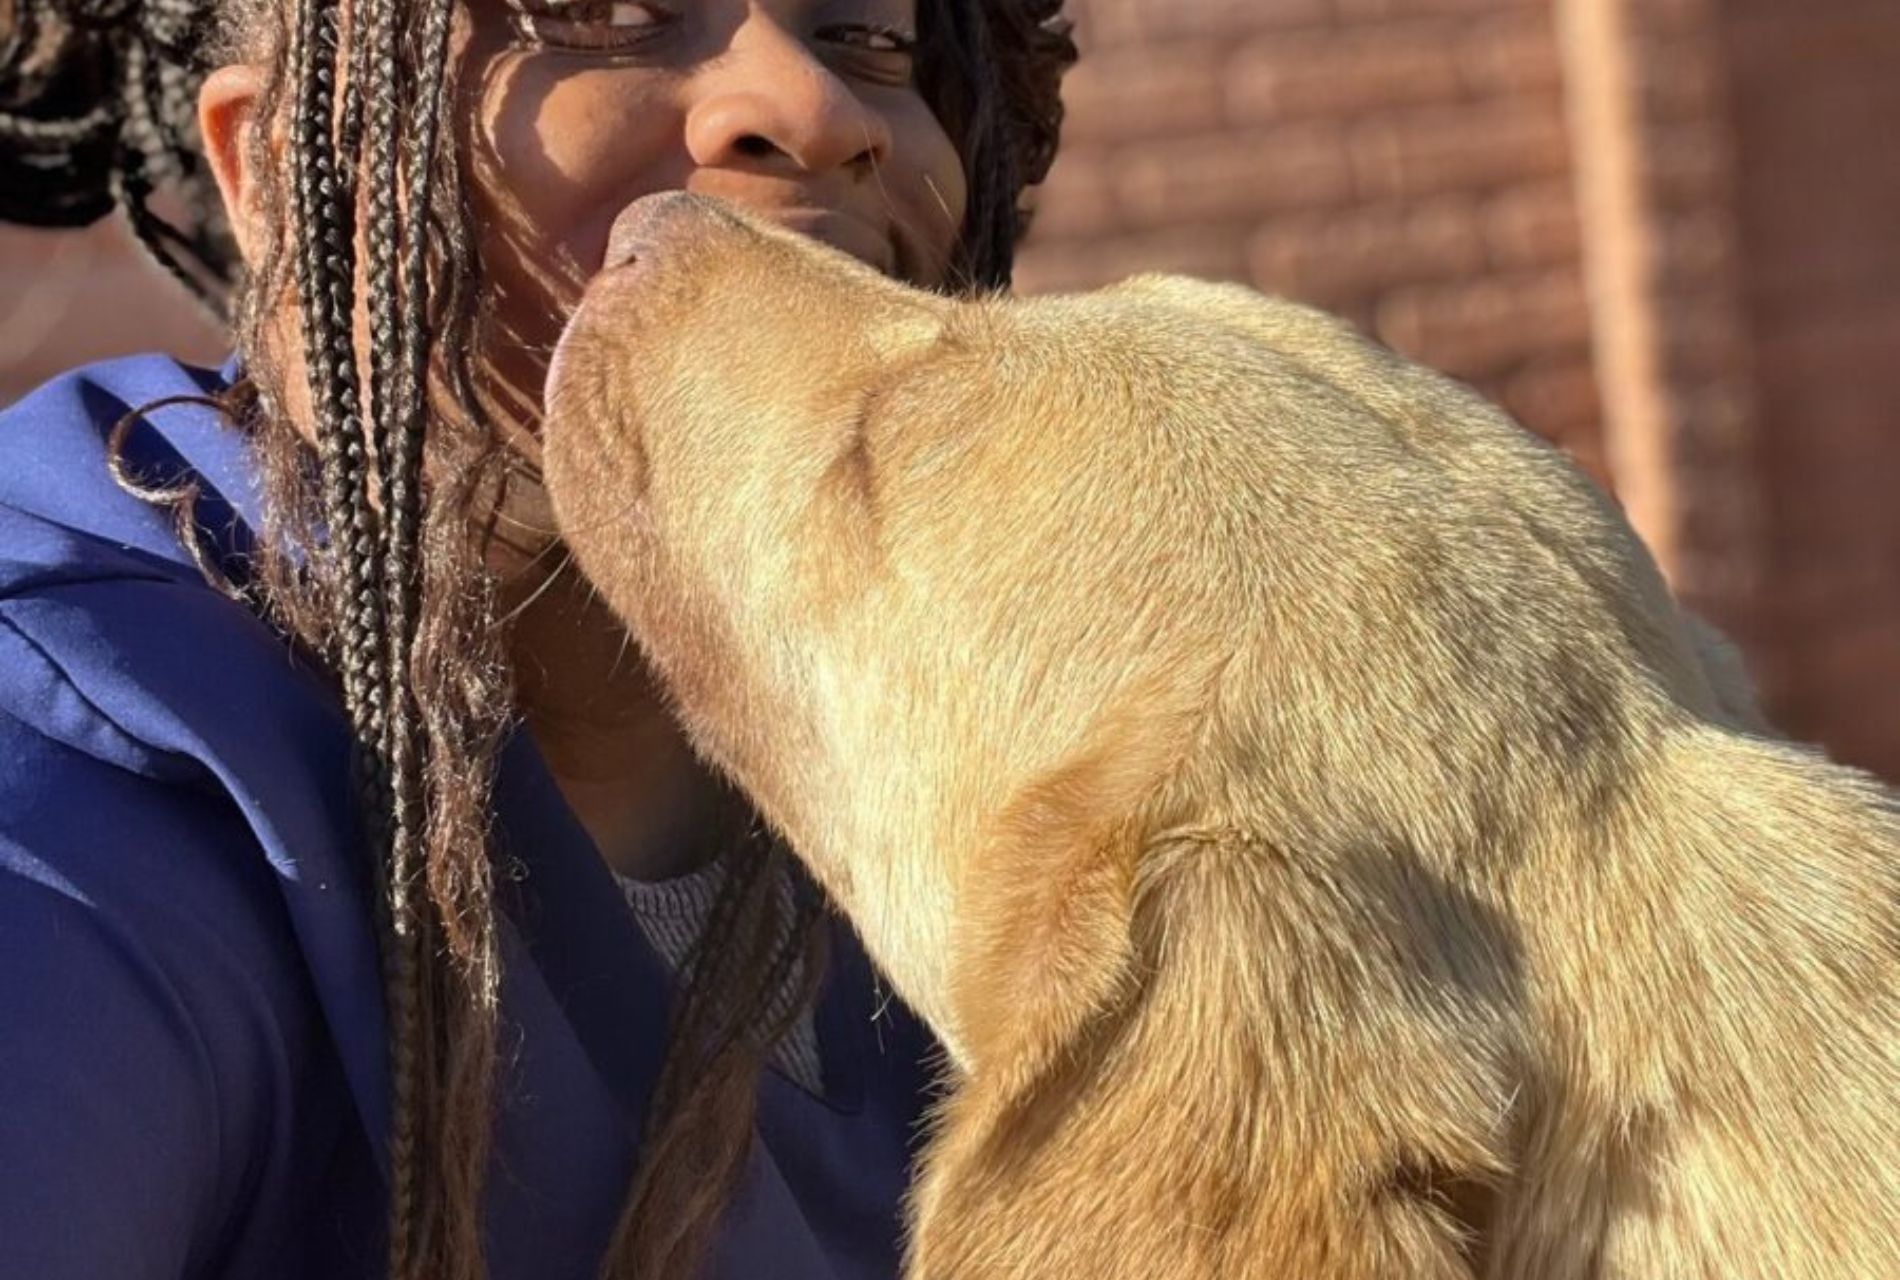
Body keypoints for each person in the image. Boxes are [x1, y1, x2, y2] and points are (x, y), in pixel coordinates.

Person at [0, 1, 1075, 1277]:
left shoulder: (1035, 749)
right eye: (602, 14)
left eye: (868, 37)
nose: (811, 106)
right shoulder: (78, 744)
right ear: (271, 167)